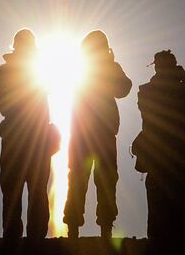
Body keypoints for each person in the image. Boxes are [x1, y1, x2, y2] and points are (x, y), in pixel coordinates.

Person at [63, 30, 132, 239]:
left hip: (97, 134)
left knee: (102, 181)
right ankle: (76, 226)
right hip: (86, 134)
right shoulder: (80, 66)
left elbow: (125, 87)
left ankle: (103, 226)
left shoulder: (106, 67)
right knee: (80, 179)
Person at [136, 50, 185, 241]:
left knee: (172, 195)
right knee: (173, 195)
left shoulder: (148, 90)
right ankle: (167, 238)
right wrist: (184, 80)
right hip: (167, 150)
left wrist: (184, 80)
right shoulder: (150, 90)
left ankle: (169, 238)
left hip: (164, 150)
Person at [0, 28, 55, 239]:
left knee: (37, 192)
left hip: (36, 139)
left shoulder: (39, 71)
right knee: (13, 192)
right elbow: (7, 105)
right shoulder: (4, 71)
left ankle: (35, 240)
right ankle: (13, 239)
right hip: (17, 139)